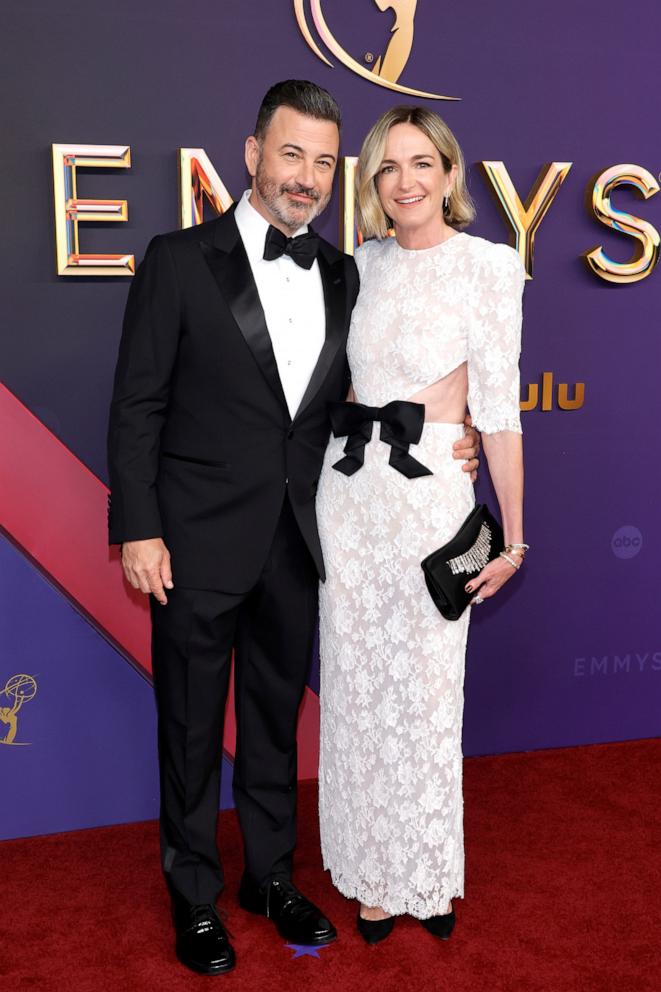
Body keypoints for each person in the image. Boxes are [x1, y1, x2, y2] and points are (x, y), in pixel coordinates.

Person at [107, 81, 480, 975]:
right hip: (191, 542)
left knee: (275, 726)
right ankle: (194, 896)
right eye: (291, 154)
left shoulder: (348, 273)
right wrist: (138, 528)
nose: (306, 177)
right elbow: (136, 407)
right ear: (251, 154)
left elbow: (367, 396)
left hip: (304, 540)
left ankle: (269, 878)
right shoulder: (176, 258)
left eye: (323, 160)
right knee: (193, 730)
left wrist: (449, 437)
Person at [317, 105, 527, 945]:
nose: (402, 182)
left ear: (448, 173)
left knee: (430, 697)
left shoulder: (488, 265)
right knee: (359, 696)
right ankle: (371, 875)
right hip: (350, 500)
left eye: (419, 164)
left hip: (432, 494)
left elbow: (503, 409)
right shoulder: (355, 266)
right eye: (385, 169)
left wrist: (514, 539)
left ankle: (426, 875)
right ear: (371, 186)